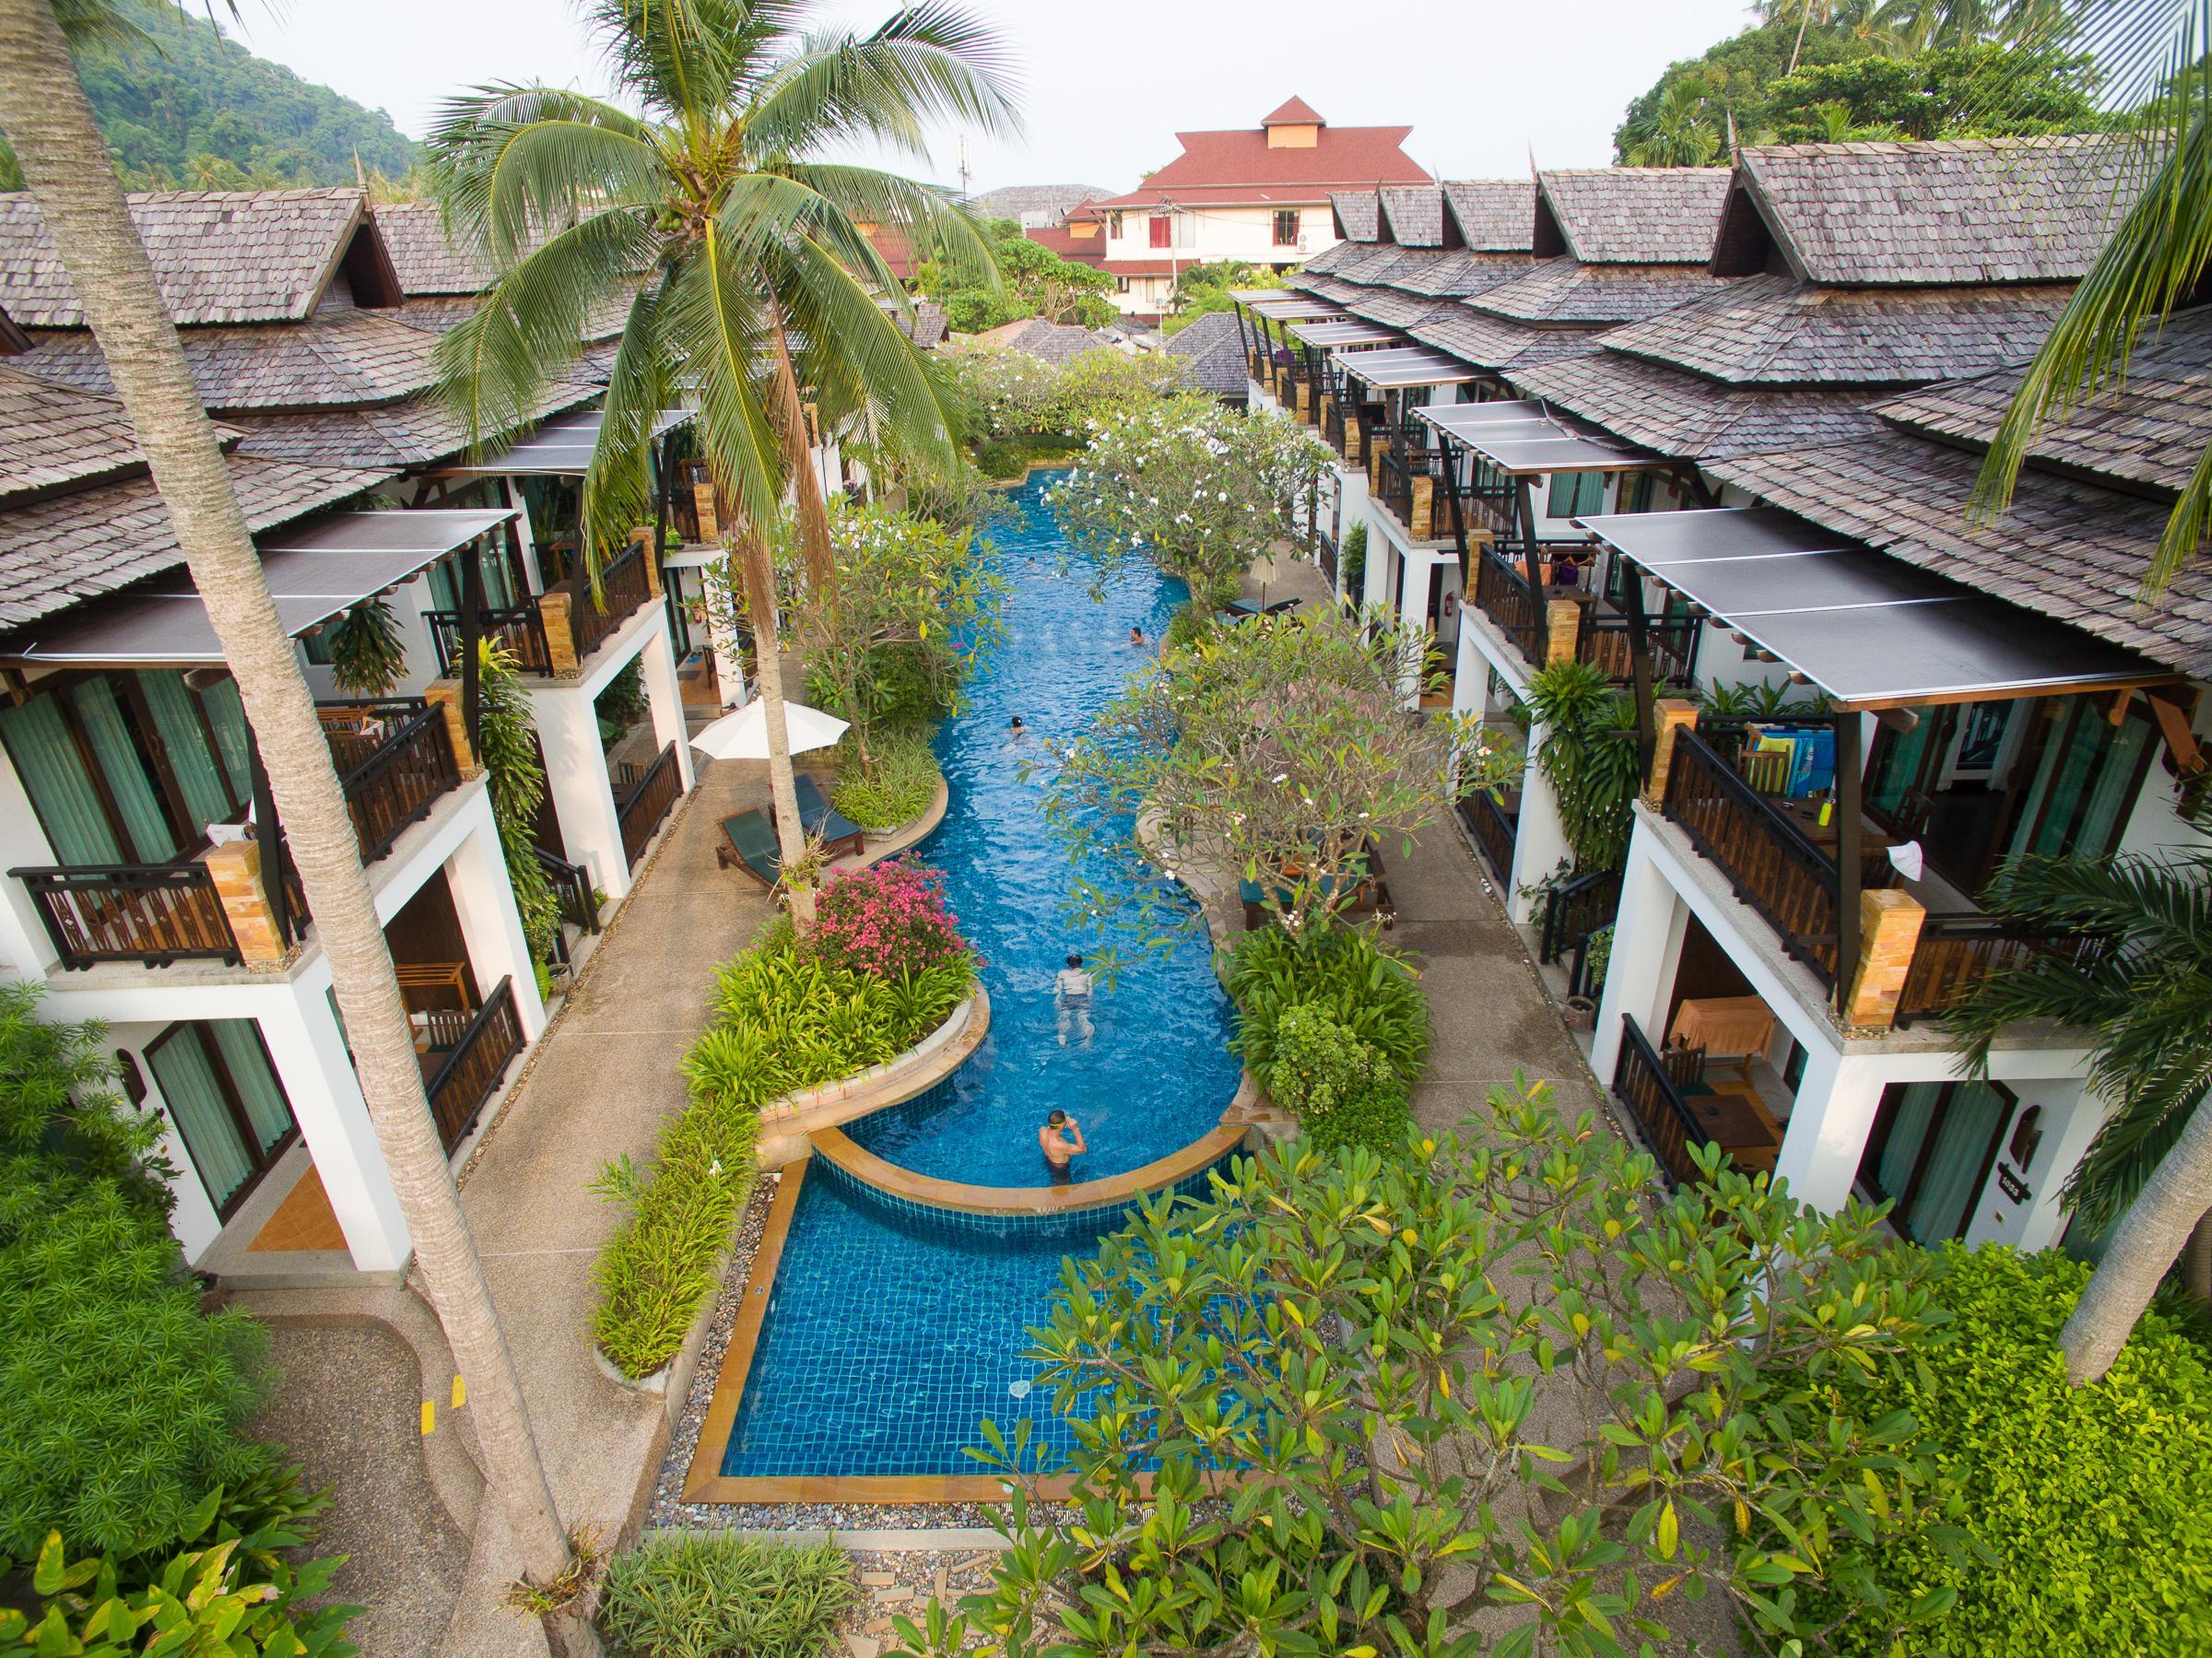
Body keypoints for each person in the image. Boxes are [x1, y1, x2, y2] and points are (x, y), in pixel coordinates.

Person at [1054, 952, 1094, 1047]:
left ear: (1068, 965)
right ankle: (1087, 1040)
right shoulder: (1088, 973)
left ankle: (1062, 1036)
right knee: (1083, 1019)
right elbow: (1090, 990)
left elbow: (1058, 989)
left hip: (1069, 997)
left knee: (1065, 1017)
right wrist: (1089, 1001)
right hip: (1082, 997)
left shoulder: (1062, 973)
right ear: (1082, 964)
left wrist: (1057, 999)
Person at [1039, 1109, 1088, 1182]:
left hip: (1048, 1160)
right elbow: (1083, 1149)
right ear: (1062, 1125)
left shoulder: (1042, 1130)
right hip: (1060, 1170)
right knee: (1063, 1190)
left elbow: (1053, 1123)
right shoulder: (1060, 1145)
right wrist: (1075, 1129)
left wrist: (1062, 1120)